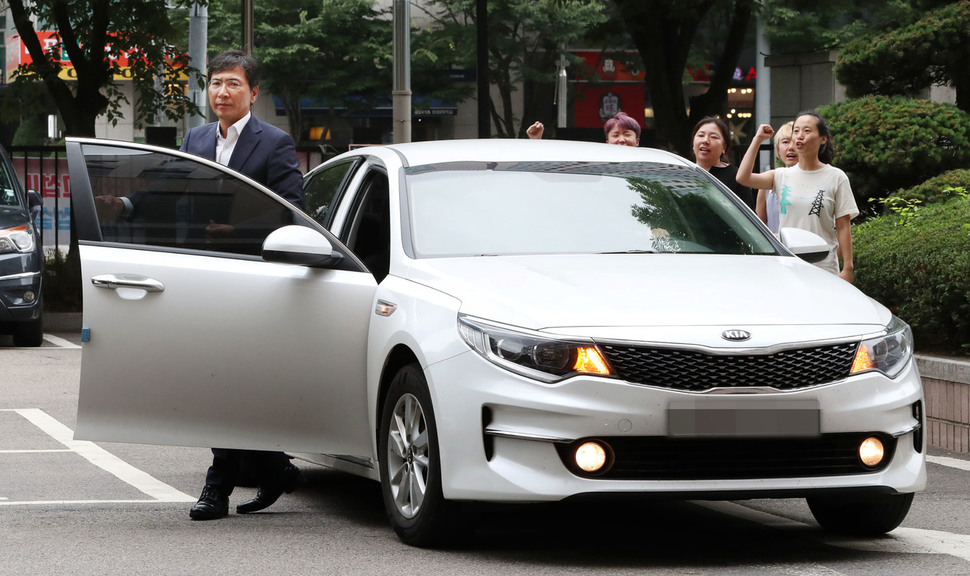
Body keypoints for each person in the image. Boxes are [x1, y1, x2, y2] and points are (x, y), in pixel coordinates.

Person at [183, 49, 306, 520]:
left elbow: (291, 210)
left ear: (253, 92)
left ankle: (217, 489)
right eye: (216, 82)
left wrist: (239, 233)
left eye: (233, 84)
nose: (222, 92)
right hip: (203, 279)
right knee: (219, 381)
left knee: (228, 380)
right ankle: (275, 468)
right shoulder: (194, 139)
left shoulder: (274, 142)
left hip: (255, 278)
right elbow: (172, 197)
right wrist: (126, 209)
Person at [736, 111, 859, 282]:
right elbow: (743, 177)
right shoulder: (781, 176)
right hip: (789, 265)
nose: (799, 136)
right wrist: (757, 139)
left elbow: (843, 226)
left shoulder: (836, 177)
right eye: (796, 131)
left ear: (823, 139)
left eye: (807, 131)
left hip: (824, 266)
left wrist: (848, 268)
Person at [690, 116, 755, 211]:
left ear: (724, 147)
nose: (705, 141)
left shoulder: (736, 177)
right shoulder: (683, 172)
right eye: (701, 135)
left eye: (713, 137)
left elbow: (748, 216)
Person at [755, 121, 797, 233]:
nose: (790, 147)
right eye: (785, 142)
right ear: (778, 149)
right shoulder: (768, 182)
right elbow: (760, 228)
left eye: (795, 142)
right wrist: (758, 139)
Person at [526, 111, 641, 147]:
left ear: (637, 141)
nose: (621, 140)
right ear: (608, 142)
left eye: (627, 134)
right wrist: (536, 141)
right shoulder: (599, 164)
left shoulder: (651, 164)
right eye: (615, 135)